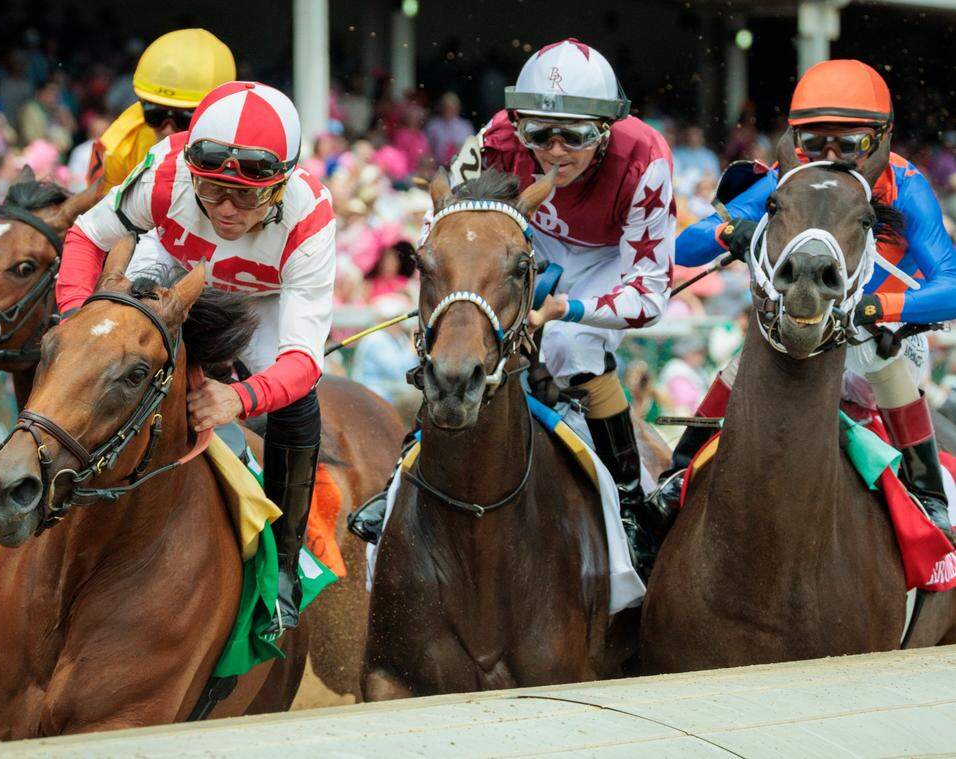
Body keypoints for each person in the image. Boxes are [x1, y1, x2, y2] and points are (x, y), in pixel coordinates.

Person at [349, 39, 676, 574]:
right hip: (524, 238)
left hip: (609, 256)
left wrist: (563, 309)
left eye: (574, 136)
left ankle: (632, 505)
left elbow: (650, 295)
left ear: (606, 130)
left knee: (571, 346)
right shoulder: (495, 139)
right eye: (538, 134)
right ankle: (402, 476)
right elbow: (444, 239)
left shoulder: (645, 159)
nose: (553, 150)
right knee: (462, 338)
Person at [58, 80, 335, 639]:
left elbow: (303, 363)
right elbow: (86, 238)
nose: (226, 210)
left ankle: (282, 565)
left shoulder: (311, 216)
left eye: (247, 196)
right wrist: (76, 323)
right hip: (174, 262)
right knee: (109, 350)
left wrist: (238, 397)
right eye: (211, 190)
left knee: (298, 405)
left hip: (263, 297)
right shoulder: (164, 173)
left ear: (281, 185)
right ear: (191, 170)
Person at [667, 59, 956, 534]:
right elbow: (682, 246)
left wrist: (876, 308)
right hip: (802, 320)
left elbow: (949, 285)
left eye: (850, 144)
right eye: (813, 141)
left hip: (883, 331)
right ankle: (677, 473)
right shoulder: (788, 177)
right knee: (752, 353)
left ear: (881, 139)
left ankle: (930, 497)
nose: (829, 155)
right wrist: (727, 232)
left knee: (874, 352)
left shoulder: (906, 186)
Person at [86, 29, 236, 194]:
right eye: (155, 114)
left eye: (184, 117)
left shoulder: (250, 153)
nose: (167, 129)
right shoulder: (119, 146)